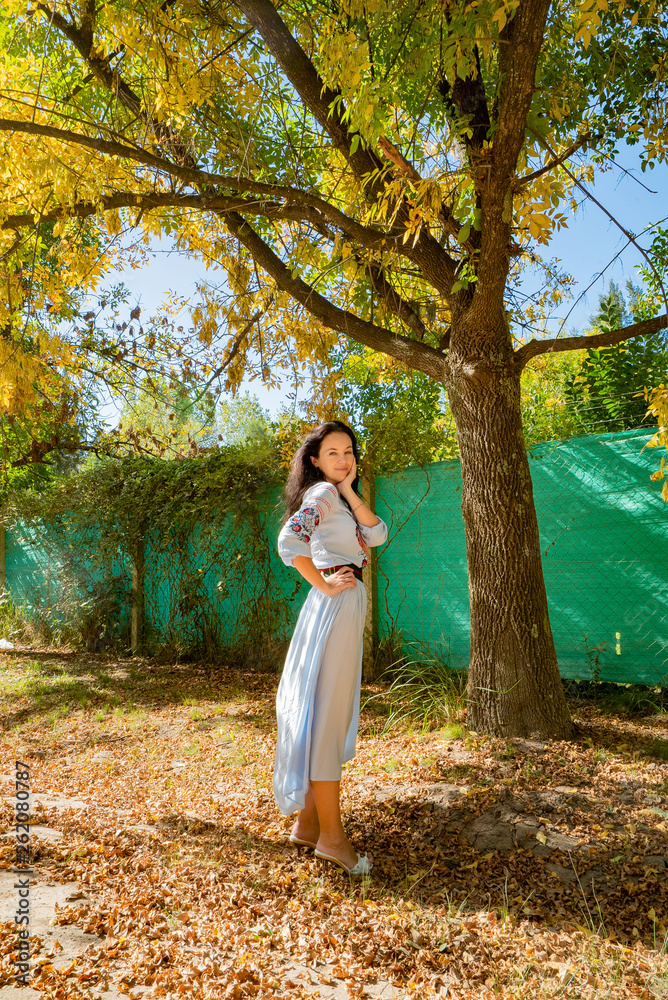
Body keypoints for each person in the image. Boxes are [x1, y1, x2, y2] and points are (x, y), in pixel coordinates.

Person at [274, 421, 388, 874]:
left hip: (341, 606)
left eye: (349, 452)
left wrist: (350, 490)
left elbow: (377, 534)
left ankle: (308, 825)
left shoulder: (337, 497)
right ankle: (333, 840)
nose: (343, 459)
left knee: (324, 712)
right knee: (328, 717)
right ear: (315, 461)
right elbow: (289, 540)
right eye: (332, 453)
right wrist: (323, 584)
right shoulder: (321, 495)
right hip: (335, 605)